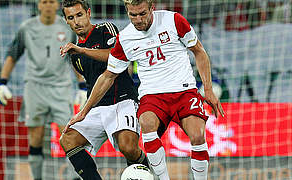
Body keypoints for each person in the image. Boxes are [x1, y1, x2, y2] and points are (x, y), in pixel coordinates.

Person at [64, 0, 225, 179]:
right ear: (127, 12)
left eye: (142, 14)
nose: (139, 19)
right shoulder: (125, 38)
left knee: (197, 136)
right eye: (133, 15)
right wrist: (84, 111)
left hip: (183, 90)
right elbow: (107, 76)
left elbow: (199, 51)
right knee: (147, 125)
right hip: (152, 95)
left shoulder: (174, 20)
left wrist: (208, 89)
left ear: (151, 8)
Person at [59, 0, 149, 179]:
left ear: (88, 14)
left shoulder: (105, 29)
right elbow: (90, 81)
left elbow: (115, 56)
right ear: (66, 21)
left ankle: (147, 173)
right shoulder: (74, 55)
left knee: (128, 147)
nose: (77, 21)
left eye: (79, 15)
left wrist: (82, 50)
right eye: (71, 18)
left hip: (122, 100)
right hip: (97, 107)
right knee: (67, 139)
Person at [0, 0, 79, 179]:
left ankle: (73, 177)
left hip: (61, 87)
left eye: (52, 1)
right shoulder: (27, 27)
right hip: (34, 88)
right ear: (39, 5)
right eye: (44, 1)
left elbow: (75, 56)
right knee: (36, 136)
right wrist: (2, 82)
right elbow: (12, 55)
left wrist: (82, 86)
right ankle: (37, 177)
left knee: (69, 134)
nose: (48, 5)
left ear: (57, 5)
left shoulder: (67, 27)